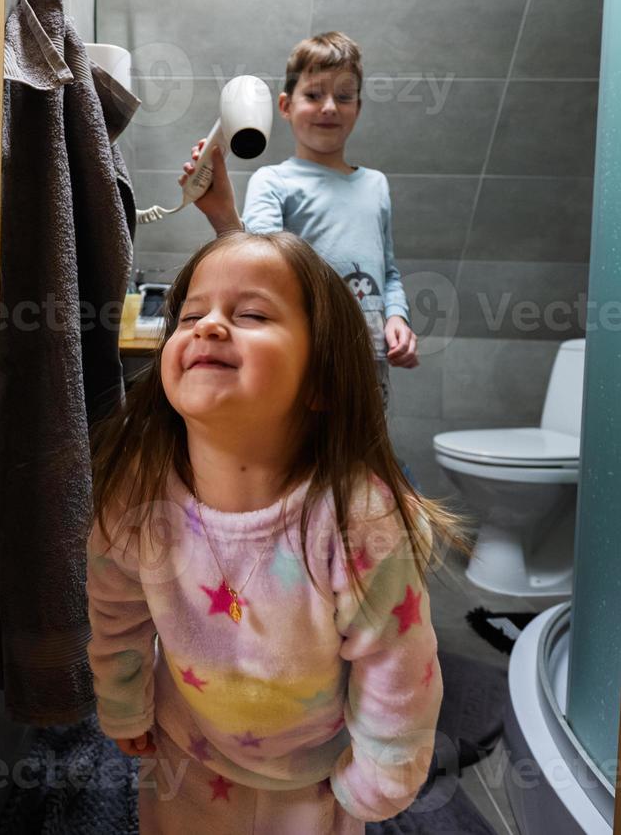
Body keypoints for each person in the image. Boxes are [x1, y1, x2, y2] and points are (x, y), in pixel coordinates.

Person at [86, 231, 468, 833]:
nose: (208, 326)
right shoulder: (138, 496)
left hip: (314, 777)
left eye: (252, 314)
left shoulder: (355, 520)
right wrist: (125, 701)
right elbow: (117, 609)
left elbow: (397, 665)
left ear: (320, 379)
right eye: (191, 314)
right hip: (187, 754)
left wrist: (381, 778)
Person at [182, 32, 418, 411]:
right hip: (303, 354)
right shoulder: (274, 181)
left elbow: (389, 272)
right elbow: (256, 266)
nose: (329, 107)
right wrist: (223, 215)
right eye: (313, 95)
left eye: (344, 97)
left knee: (359, 456)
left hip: (369, 359)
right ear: (285, 105)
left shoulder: (376, 185)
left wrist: (397, 318)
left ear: (358, 106)